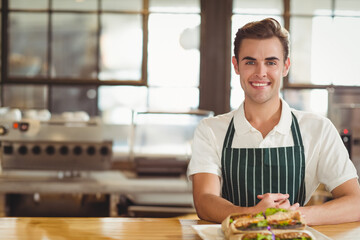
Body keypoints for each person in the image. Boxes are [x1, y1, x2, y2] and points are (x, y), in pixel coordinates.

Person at [187, 18, 360, 225]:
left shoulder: (318, 129)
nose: (261, 72)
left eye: (271, 62)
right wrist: (253, 214)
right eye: (250, 62)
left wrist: (293, 216)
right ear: (236, 65)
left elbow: (355, 202)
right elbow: (204, 202)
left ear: (285, 66)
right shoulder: (211, 130)